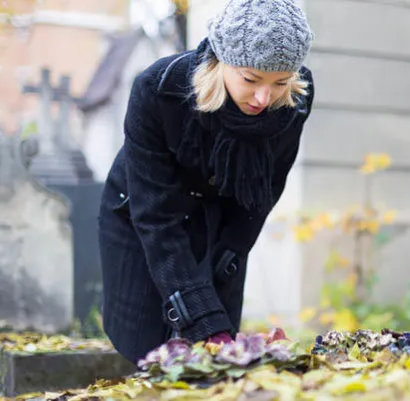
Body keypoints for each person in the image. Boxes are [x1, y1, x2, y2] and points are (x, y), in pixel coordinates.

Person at [97, 0, 315, 365]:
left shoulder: (294, 98)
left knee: (218, 350)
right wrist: (197, 312)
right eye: (251, 79)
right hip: (143, 209)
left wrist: (225, 266)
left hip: (223, 212)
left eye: (280, 82)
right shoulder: (157, 89)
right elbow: (156, 218)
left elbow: (263, 193)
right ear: (221, 60)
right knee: (145, 345)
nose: (265, 97)